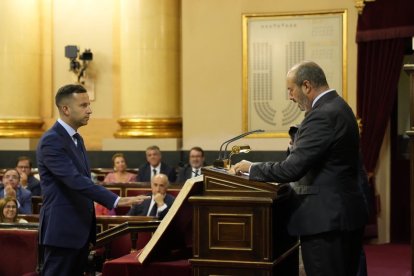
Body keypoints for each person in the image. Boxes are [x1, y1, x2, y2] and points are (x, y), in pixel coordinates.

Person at [233, 61, 368, 276]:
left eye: (291, 90)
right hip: (340, 217)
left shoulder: (322, 115)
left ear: (306, 86)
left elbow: (291, 170)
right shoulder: (340, 106)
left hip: (326, 223)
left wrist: (252, 168)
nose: (290, 96)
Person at [36, 84, 150, 276]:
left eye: (89, 104)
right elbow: (74, 180)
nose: (90, 110)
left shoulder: (77, 139)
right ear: (66, 109)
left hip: (79, 232)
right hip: (62, 231)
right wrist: (115, 200)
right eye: (83, 105)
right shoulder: (52, 140)